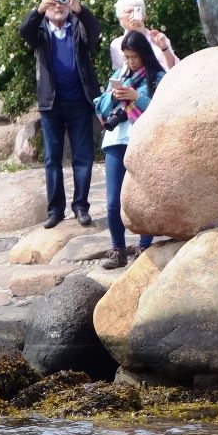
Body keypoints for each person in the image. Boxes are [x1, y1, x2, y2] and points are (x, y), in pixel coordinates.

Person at [19, 0, 102, 228]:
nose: (58, 5)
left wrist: (80, 10)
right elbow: (24, 30)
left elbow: (94, 32)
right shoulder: (40, 31)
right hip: (51, 104)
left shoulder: (78, 26)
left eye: (62, 0)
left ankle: (81, 207)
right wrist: (39, 8)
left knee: (83, 158)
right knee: (52, 159)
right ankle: (55, 210)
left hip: (79, 102)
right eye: (53, 1)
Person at [95, 30, 164, 269]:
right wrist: (115, 95)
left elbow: (162, 109)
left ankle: (145, 245)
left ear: (144, 54)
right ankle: (118, 250)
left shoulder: (157, 77)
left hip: (143, 141)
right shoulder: (120, 74)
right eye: (127, 57)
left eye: (134, 57)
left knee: (144, 196)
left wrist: (137, 97)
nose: (130, 62)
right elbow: (101, 108)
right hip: (116, 141)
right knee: (114, 201)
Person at [109, 0, 176, 73]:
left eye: (137, 11)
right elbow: (124, 74)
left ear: (144, 16)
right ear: (120, 18)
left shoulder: (157, 38)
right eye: (129, 11)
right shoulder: (117, 44)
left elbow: (174, 68)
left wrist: (164, 48)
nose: (133, 15)